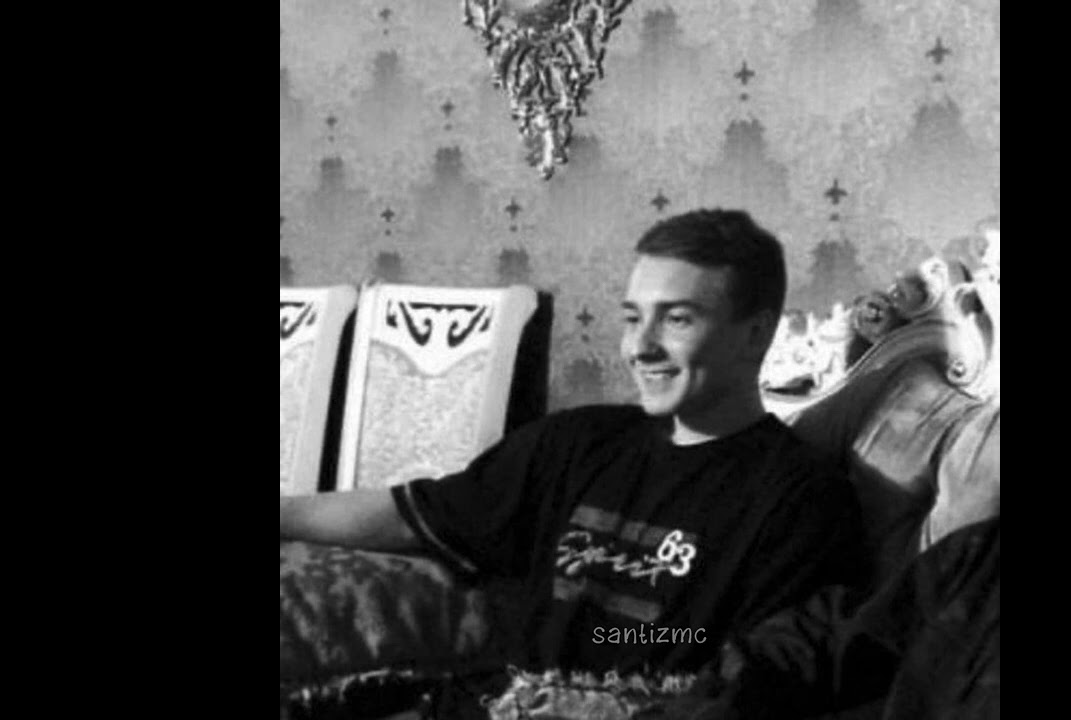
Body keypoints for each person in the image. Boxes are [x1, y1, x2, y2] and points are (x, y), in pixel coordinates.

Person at [280, 208, 867, 676]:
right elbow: (414, 514)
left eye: (677, 319)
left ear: (756, 334)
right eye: (633, 318)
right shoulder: (575, 442)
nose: (640, 347)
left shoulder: (801, 502)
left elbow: (755, 674)